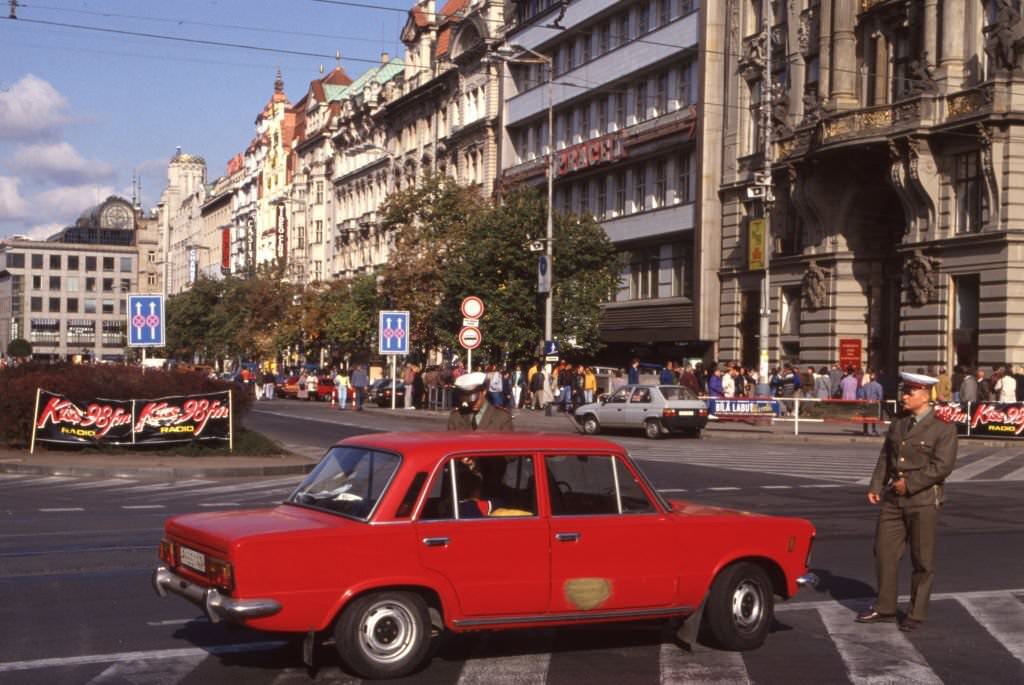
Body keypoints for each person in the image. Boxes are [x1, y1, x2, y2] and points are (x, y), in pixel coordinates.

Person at [857, 372, 957, 632]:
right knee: (884, 552)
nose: (904, 397)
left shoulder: (943, 427)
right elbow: (886, 456)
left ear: (924, 397)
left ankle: (916, 612)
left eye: (909, 393)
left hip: (922, 499)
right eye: (905, 392)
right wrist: (876, 484)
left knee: (922, 559)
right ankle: (885, 606)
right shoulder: (899, 422)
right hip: (893, 498)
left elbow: (942, 466)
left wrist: (910, 484)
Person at [447, 372, 514, 431]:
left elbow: (506, 444)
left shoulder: (503, 417)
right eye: (467, 399)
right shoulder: (456, 417)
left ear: (484, 391)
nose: (472, 403)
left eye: (475, 399)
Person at [860, 371, 884, 436]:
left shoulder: (865, 386)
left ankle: (865, 430)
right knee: (873, 417)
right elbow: (880, 396)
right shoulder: (879, 386)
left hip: (866, 403)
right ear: (876, 378)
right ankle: (873, 430)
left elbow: (862, 395)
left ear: (870, 378)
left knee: (866, 417)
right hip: (874, 404)